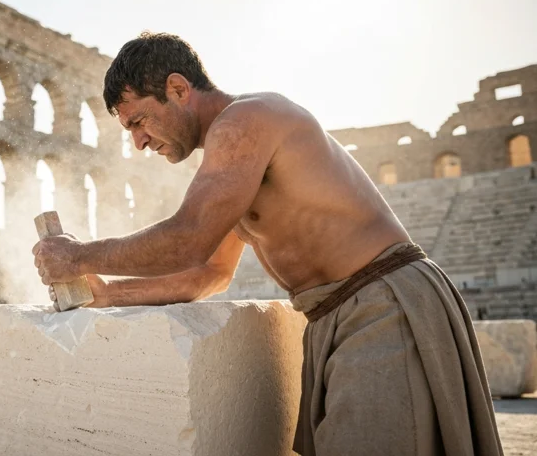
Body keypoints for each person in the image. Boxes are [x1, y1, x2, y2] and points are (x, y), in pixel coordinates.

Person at [32, 32, 504, 456]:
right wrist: (108, 295)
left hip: (382, 302)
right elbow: (207, 274)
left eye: (139, 121)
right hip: (335, 314)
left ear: (178, 89)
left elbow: (189, 240)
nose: (137, 142)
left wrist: (76, 256)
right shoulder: (226, 159)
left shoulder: (246, 121)